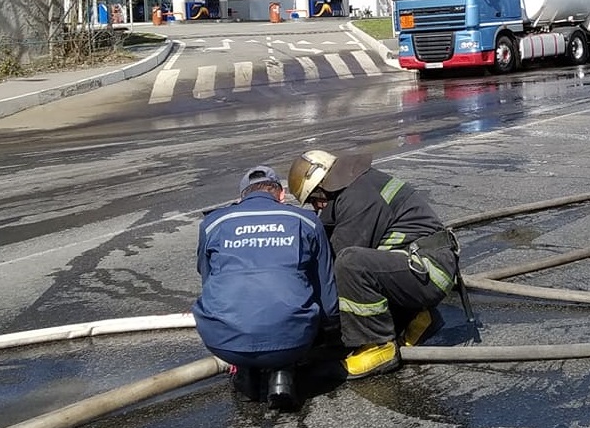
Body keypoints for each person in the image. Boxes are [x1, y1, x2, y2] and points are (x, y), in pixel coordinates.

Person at [288, 150, 460, 379]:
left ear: (322, 188)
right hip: (418, 269)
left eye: (313, 200)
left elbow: (334, 260)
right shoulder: (351, 188)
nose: (316, 207)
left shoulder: (358, 198)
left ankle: (378, 346)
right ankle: (417, 318)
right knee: (355, 265)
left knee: (350, 264)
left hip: (429, 271)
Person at [193, 166, 339, 410]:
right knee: (291, 303)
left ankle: (245, 372)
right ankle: (283, 372)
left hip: (224, 342)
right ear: (281, 195)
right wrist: (327, 335)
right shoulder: (306, 221)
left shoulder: (212, 223)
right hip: (294, 340)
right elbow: (326, 292)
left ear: (241, 197)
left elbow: (207, 280)